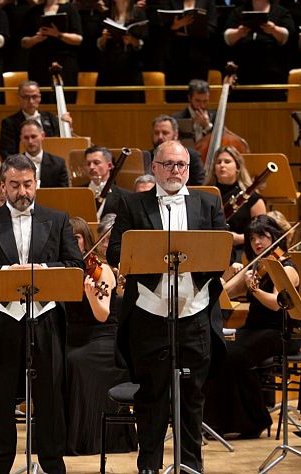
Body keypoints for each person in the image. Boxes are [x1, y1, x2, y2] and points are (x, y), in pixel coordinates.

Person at [106, 140, 228, 473]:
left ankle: (191, 465)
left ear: (188, 168)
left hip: (195, 312)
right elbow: (115, 252)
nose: (176, 170)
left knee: (193, 396)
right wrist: (150, 254)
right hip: (150, 313)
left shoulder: (208, 202)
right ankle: (149, 466)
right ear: (155, 167)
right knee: (151, 395)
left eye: (181, 165)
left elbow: (222, 251)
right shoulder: (133, 203)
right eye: (169, 164)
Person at [0, 153, 83, 474]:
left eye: (27, 184)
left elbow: (76, 265)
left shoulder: (57, 219)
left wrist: (42, 269)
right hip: (2, 321)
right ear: (3, 186)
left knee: (50, 399)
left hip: (45, 319)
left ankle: (52, 465)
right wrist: (6, 272)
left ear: (36, 184)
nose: (22, 192)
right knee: (0, 400)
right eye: (14, 185)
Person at [204, 215, 301, 437]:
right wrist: (230, 274)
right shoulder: (258, 266)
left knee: (233, 356)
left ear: (274, 236)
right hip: (254, 330)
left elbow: (277, 303)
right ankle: (222, 421)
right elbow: (225, 293)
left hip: (280, 333)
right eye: (252, 238)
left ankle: (254, 420)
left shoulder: (286, 267)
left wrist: (254, 289)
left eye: (262, 236)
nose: (257, 242)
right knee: (216, 349)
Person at [64, 216, 136, 455]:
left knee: (75, 361)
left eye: (76, 238)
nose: (72, 242)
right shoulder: (62, 270)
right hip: (72, 336)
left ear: (86, 240)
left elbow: (102, 315)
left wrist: (91, 295)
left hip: (102, 338)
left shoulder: (101, 270)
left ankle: (87, 439)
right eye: (67, 238)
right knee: (53, 359)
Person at [223, 0, 296, 102]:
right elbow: (227, 38)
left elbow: (288, 37)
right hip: (244, 73)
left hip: (273, 73)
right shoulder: (238, 12)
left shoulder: (280, 12)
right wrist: (239, 32)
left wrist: (273, 29)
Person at [21, 0, 83, 104]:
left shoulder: (69, 9)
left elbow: (78, 39)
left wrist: (58, 34)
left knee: (65, 102)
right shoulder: (34, 12)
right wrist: (35, 39)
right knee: (41, 103)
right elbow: (24, 42)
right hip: (39, 63)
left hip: (65, 62)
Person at [203, 145, 267, 262]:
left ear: (238, 167)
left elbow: (262, 234)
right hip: (210, 249)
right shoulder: (205, 194)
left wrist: (239, 238)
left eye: (227, 162)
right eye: (218, 162)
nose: (222, 165)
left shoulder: (253, 198)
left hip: (242, 252)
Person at [161, 0, 216, 103]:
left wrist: (192, 28)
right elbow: (164, 26)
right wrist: (178, 25)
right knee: (176, 97)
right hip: (176, 55)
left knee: (197, 96)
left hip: (199, 54)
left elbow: (212, 26)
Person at [96, 0, 146, 104]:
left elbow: (144, 43)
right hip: (109, 69)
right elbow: (99, 45)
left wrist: (132, 40)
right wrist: (103, 38)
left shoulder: (138, 14)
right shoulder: (105, 15)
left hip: (131, 68)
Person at [0, 80, 64, 159]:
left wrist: (66, 126)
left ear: (40, 98)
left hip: (49, 164)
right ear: (19, 98)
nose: (31, 101)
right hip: (21, 164)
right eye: (26, 97)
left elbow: (60, 144)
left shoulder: (51, 118)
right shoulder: (9, 123)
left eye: (34, 97)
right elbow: (7, 153)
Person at [142, 115, 206, 185]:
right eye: (156, 133)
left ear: (175, 135)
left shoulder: (192, 156)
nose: (160, 137)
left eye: (165, 133)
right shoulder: (145, 157)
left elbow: (200, 186)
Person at [20, 119, 69, 188]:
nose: (30, 141)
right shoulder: (12, 165)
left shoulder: (58, 165)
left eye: (33, 136)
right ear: (21, 139)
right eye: (26, 137)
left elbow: (63, 193)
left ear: (42, 136)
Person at [83, 145, 128, 219]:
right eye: (88, 164)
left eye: (96, 163)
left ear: (109, 165)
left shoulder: (124, 197)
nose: (91, 167)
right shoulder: (76, 192)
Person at [170, 79, 216, 145]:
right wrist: (192, 125)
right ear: (189, 98)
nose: (202, 105)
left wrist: (207, 126)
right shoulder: (176, 118)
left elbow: (219, 139)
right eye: (198, 101)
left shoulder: (215, 117)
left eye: (205, 101)